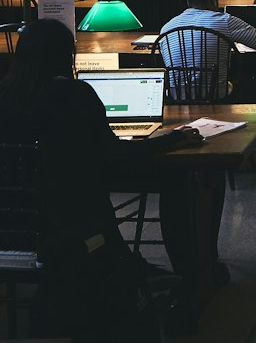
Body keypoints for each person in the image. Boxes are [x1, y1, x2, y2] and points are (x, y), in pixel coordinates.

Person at [0, 19, 202, 342]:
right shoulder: (74, 95)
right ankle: (190, 281)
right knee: (175, 178)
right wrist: (169, 139)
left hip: (13, 231)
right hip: (71, 234)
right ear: (67, 56)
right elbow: (114, 157)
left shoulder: (6, 97)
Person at [158, 0, 256, 99]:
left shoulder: (167, 28)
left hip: (176, 96)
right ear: (214, 0)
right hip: (215, 94)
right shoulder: (224, 21)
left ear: (188, 2)